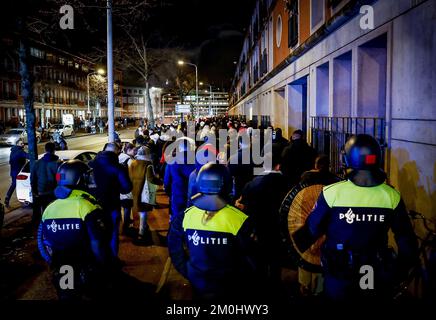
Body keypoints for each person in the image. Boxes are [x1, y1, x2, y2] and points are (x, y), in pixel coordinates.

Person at [293, 134, 418, 300]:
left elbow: (310, 231)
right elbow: (407, 241)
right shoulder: (392, 196)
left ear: (348, 158)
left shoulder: (332, 193)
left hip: (339, 274)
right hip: (375, 273)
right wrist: (398, 272)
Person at [168, 163, 257, 300]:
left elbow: (175, 249)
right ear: (227, 184)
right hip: (230, 285)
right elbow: (251, 258)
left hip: (198, 282)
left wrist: (189, 271)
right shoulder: (239, 219)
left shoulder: (185, 217)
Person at [38, 160, 114, 300]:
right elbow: (97, 243)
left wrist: (52, 261)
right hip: (86, 268)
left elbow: (43, 241)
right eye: (87, 176)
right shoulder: (87, 206)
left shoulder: (50, 208)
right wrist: (104, 266)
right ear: (78, 179)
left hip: (61, 268)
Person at [235, 144, 288, 297]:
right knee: (276, 260)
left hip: (258, 228)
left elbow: (243, 205)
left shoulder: (252, 184)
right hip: (278, 229)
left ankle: (262, 288)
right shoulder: (286, 183)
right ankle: (276, 285)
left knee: (260, 260)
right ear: (278, 166)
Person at [89, 143, 132, 258]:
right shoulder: (118, 168)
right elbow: (127, 188)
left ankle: (98, 260)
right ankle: (112, 260)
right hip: (112, 206)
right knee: (113, 234)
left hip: (92, 207)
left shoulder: (90, 165)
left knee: (94, 234)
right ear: (115, 153)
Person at [129, 146, 162, 245]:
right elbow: (151, 179)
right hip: (145, 191)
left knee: (138, 209)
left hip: (134, 189)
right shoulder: (148, 165)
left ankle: (142, 228)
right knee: (144, 212)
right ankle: (142, 232)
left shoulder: (132, 163)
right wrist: (160, 181)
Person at [31, 142, 61, 226]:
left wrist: (34, 191)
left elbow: (33, 178)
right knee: (53, 213)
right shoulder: (57, 164)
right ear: (54, 150)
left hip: (41, 193)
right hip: (52, 193)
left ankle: (43, 228)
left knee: (43, 213)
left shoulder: (37, 163)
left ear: (45, 150)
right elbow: (59, 179)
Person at [5, 139, 28, 209]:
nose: (23, 144)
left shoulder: (13, 151)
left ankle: (7, 198)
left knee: (13, 185)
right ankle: (24, 201)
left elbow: (10, 161)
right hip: (18, 172)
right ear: (17, 144)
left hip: (13, 172)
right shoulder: (20, 152)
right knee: (21, 185)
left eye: (23, 143)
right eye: (21, 144)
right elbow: (30, 156)